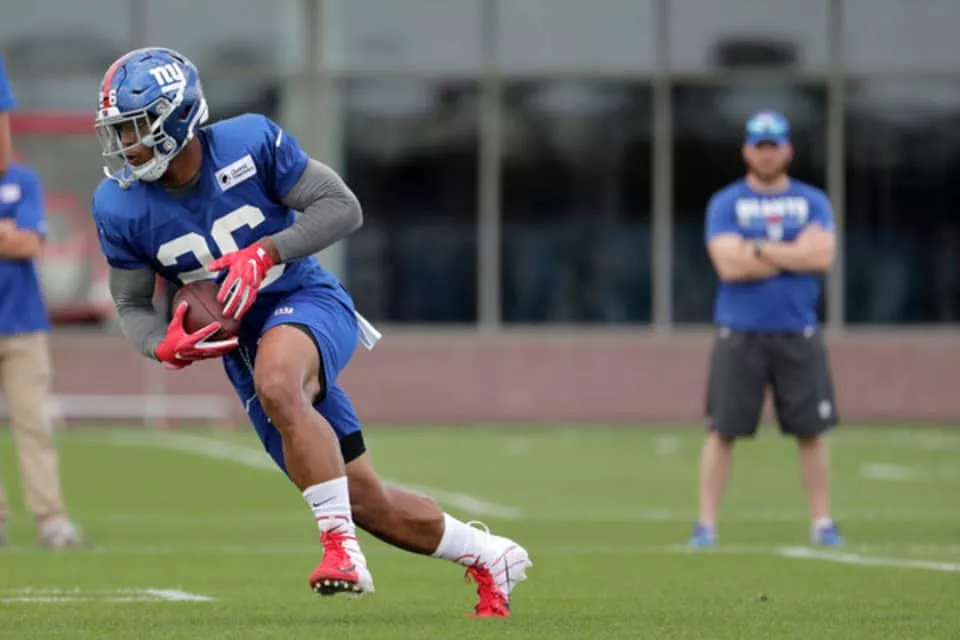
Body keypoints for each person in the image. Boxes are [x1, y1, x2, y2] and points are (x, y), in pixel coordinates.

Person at [91, 47, 530, 617]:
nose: (127, 144)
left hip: (305, 300)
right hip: (244, 348)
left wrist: (267, 251)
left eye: (136, 127)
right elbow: (130, 302)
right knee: (364, 500)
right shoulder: (119, 205)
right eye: (119, 130)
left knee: (279, 383)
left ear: (177, 117)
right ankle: (492, 556)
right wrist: (161, 344)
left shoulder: (249, 142)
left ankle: (339, 551)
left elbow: (341, 206)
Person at [689, 110, 841, 548]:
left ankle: (822, 522)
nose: (767, 154)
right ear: (747, 151)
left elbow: (821, 257)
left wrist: (756, 247)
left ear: (788, 150)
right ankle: (706, 525)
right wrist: (793, 252)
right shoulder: (726, 203)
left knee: (811, 431)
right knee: (723, 430)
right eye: (760, 146)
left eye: (774, 146)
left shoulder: (813, 201)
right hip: (739, 331)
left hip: (798, 329)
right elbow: (729, 265)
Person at [0, 54, 85, 549]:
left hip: (23, 324)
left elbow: (30, 243)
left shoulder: (23, 180)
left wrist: (13, 237)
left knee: (33, 424)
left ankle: (51, 519)